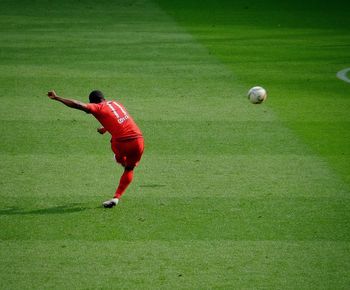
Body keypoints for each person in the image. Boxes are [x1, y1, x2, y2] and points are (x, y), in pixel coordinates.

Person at [47, 90, 144, 208]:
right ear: (103, 98)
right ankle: (116, 198)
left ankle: (120, 159)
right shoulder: (116, 104)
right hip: (138, 141)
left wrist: (58, 98)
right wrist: (104, 129)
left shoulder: (98, 108)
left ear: (92, 102)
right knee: (129, 169)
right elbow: (119, 120)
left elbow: (77, 104)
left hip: (122, 143)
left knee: (114, 143)